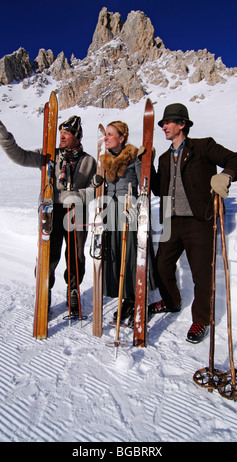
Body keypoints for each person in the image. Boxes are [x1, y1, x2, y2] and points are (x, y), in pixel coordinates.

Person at [150, 103, 237, 343]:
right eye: (162, 123)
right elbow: (157, 190)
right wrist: (148, 167)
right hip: (171, 222)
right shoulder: (163, 158)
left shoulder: (203, 146)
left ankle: (201, 320)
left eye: (168, 122)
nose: (163, 126)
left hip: (198, 220)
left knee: (201, 274)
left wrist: (226, 175)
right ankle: (172, 301)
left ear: (181, 124)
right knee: (161, 265)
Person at [0, 115, 96, 313]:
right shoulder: (50, 156)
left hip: (76, 212)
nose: (62, 136)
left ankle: (73, 291)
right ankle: (44, 291)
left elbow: (95, 189)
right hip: (50, 211)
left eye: (67, 133)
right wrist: (3, 135)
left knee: (76, 255)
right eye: (61, 132)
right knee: (48, 255)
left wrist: (73, 196)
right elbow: (21, 156)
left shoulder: (88, 161)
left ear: (77, 137)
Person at [100, 120, 155, 326]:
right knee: (118, 256)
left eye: (110, 134)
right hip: (111, 215)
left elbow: (145, 184)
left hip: (130, 214)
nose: (105, 137)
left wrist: (148, 158)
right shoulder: (104, 161)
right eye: (105, 134)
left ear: (122, 138)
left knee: (132, 255)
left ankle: (137, 299)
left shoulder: (134, 158)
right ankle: (126, 298)